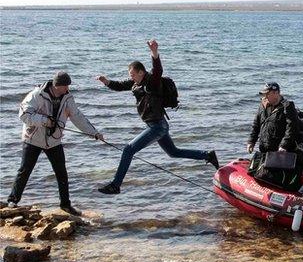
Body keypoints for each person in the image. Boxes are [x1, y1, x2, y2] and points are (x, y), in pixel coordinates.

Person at [95, 40, 218, 195]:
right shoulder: (136, 83)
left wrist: (154, 53)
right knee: (173, 152)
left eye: (133, 74)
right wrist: (106, 82)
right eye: (130, 75)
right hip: (157, 125)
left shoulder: (152, 82)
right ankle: (207, 155)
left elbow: (158, 69)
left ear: (141, 72)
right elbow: (120, 85)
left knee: (128, 150)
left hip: (157, 126)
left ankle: (115, 185)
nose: (131, 78)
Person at [6, 71, 104, 215]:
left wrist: (94, 133)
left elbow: (77, 117)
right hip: (33, 139)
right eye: (66, 86)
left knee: (61, 173)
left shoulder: (68, 98)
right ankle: (13, 201)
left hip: (54, 141)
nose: (68, 89)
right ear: (57, 85)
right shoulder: (36, 95)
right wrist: (45, 121)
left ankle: (65, 205)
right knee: (25, 170)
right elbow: (24, 115)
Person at [247, 82, 303, 189]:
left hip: (279, 152)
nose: (265, 96)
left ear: (276, 93)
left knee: (277, 179)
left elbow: (292, 128)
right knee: (263, 175)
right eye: (264, 94)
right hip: (265, 149)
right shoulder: (263, 105)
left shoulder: (287, 107)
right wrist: (251, 141)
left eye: (267, 94)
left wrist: (284, 145)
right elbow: (256, 125)